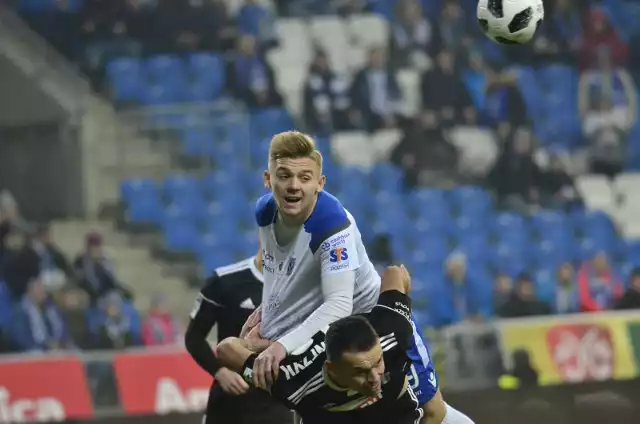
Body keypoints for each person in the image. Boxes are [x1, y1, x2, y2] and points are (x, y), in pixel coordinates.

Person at [246, 131, 468, 423]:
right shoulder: (265, 212)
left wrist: (278, 345)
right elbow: (280, 273)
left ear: (319, 183)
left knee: (432, 411)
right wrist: (270, 318)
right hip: (326, 335)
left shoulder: (332, 222)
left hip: (375, 329)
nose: (293, 187)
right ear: (268, 179)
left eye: (304, 177)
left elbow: (339, 303)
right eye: (284, 176)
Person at [218, 266, 473, 424]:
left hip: (396, 404)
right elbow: (225, 350)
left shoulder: (392, 336)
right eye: (362, 371)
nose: (374, 377)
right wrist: (251, 346)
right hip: (329, 408)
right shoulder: (292, 380)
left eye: (376, 365)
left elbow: (396, 273)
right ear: (333, 368)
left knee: (433, 410)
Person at [185, 253, 293, 424]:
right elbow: (194, 337)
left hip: (277, 402)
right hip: (231, 402)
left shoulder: (301, 286)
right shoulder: (224, 280)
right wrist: (219, 371)